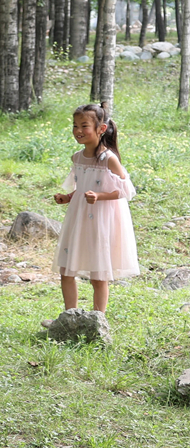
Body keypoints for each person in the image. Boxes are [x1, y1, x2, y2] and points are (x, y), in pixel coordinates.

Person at [51, 103, 137, 315]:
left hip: (101, 219)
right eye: (75, 125)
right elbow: (82, 188)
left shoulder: (109, 159)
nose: (78, 131)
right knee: (66, 269)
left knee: (99, 274)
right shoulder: (77, 158)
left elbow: (126, 191)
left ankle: (98, 319)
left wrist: (100, 196)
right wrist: (68, 197)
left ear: (101, 128)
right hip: (79, 217)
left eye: (84, 125)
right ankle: (70, 316)